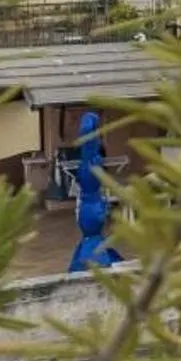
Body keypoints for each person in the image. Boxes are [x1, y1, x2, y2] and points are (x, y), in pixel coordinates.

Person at [66, 110, 123, 272]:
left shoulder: (90, 166)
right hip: (91, 206)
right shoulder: (91, 164)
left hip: (91, 205)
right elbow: (88, 137)